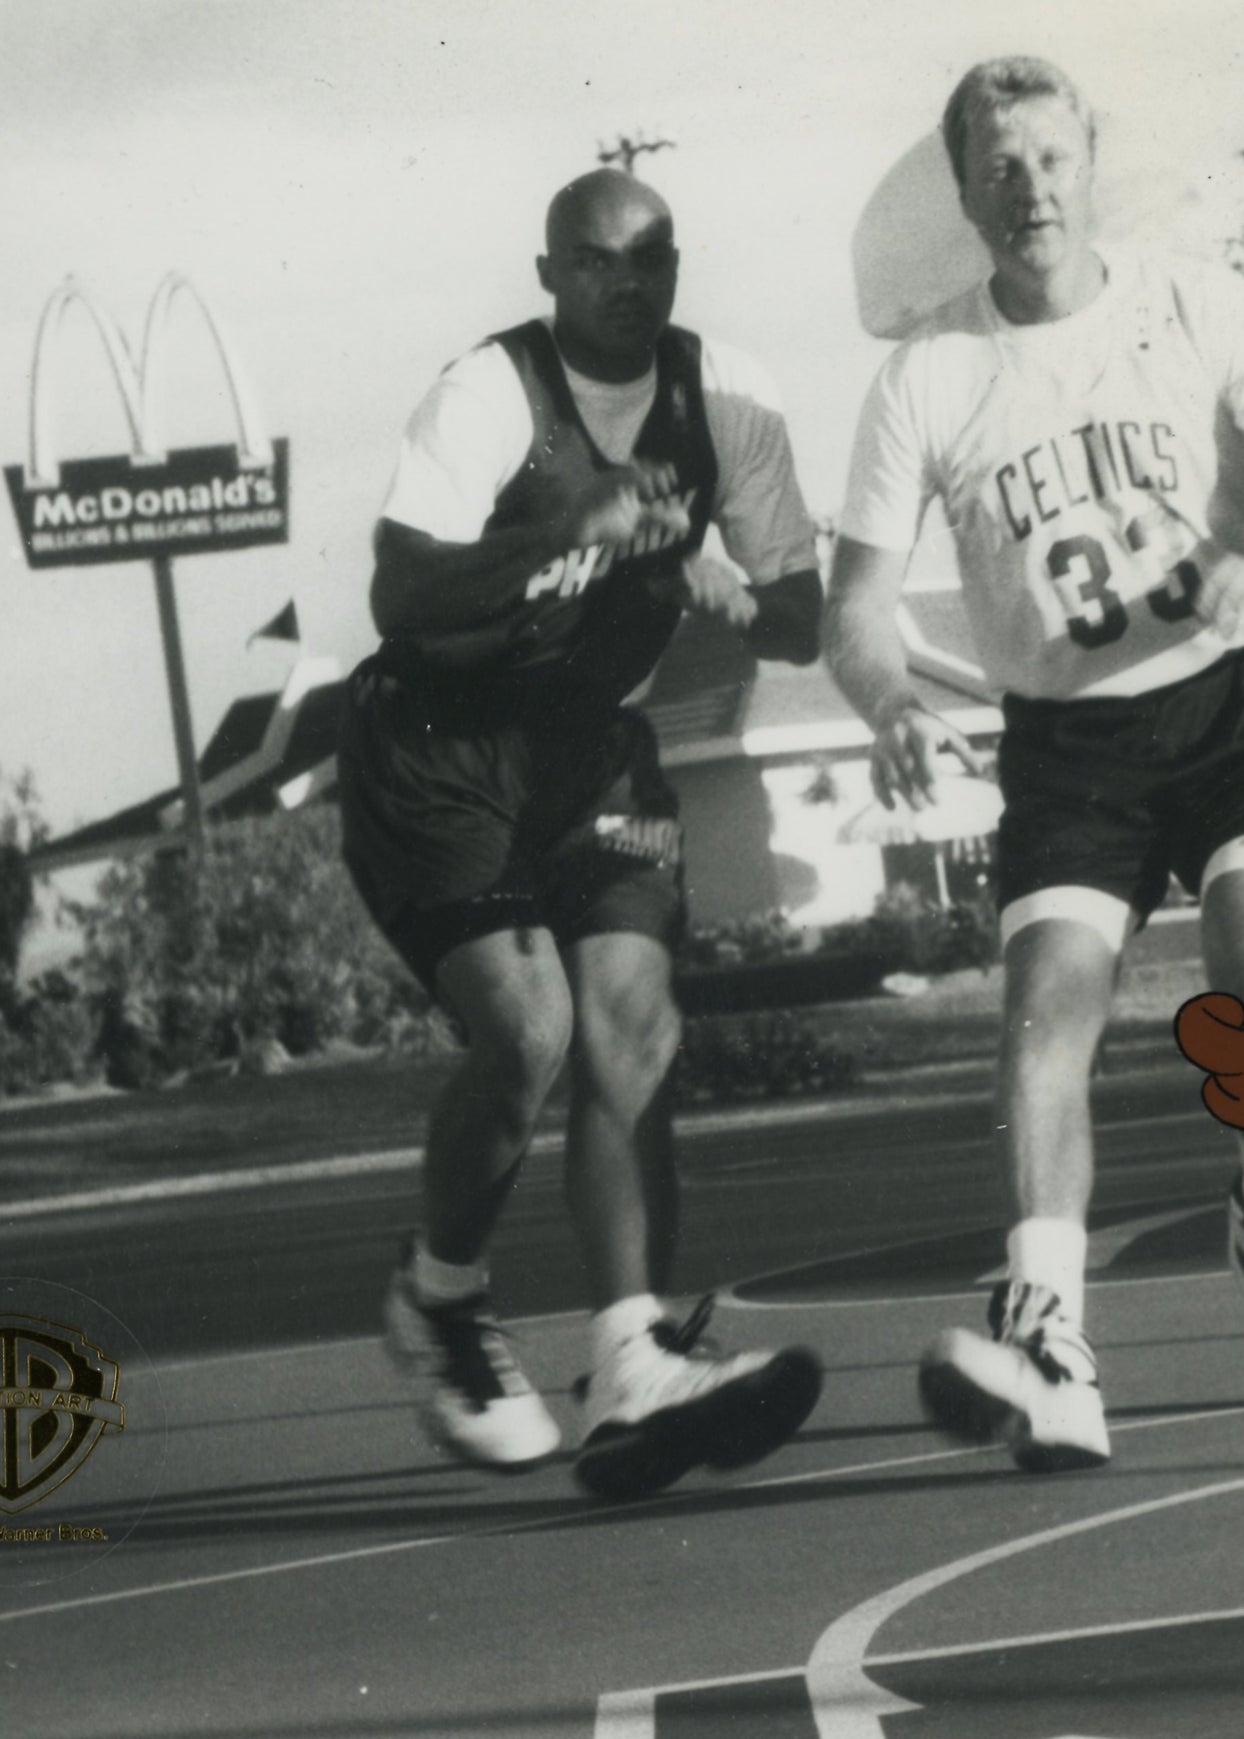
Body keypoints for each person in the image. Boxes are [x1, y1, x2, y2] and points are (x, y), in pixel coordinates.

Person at [825, 58, 1244, 1471]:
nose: (1032, 190)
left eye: (1052, 159)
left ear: (1091, 164)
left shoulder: (1196, 305)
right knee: (1044, 1015)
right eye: (1000, 169)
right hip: (1071, 746)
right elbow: (856, 606)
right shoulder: (929, 374)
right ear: (963, 196)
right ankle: (1052, 1339)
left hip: (1233, 710)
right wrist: (889, 702)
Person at [341, 168, 826, 1496]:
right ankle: (441, 1297)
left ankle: (630, 1357)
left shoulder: (725, 397)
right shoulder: (491, 393)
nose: (627, 282)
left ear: (677, 267)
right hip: (439, 746)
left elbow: (800, 620)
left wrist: (722, 587)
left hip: (590, 745)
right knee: (529, 1035)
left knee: (631, 1023)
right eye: (597, 261)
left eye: (651, 258)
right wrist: (571, 527)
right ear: (551, 274)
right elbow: (399, 592)